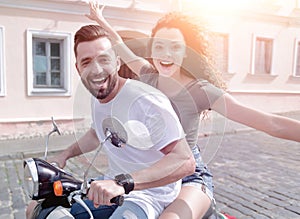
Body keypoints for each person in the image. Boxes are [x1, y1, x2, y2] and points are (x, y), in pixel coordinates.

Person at [86, 2, 300, 219]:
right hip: (153, 175)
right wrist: (101, 20)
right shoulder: (148, 75)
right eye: (159, 46)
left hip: (190, 178)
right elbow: (120, 44)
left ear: (187, 51)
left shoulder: (201, 91)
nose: (165, 54)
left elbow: (271, 123)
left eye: (175, 46)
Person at [26, 24, 196, 219]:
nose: (96, 70)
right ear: (78, 68)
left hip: (150, 194)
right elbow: (96, 133)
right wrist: (64, 155)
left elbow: (185, 160)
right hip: (111, 187)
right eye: (87, 62)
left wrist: (123, 183)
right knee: (40, 211)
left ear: (116, 63)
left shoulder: (145, 100)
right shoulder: (97, 96)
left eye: (103, 59)